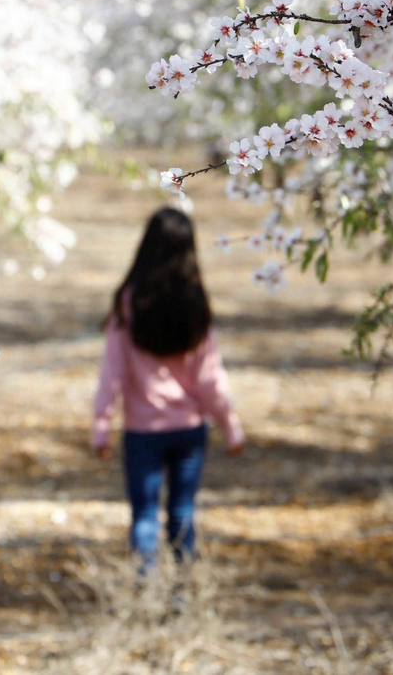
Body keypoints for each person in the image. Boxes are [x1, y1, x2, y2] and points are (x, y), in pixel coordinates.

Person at [91, 208, 244, 569]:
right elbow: (210, 375)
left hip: (142, 430)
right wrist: (230, 423)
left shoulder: (128, 303)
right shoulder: (195, 302)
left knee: (144, 512)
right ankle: (183, 587)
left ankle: (146, 586)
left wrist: (102, 425)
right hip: (189, 429)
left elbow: (111, 371)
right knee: (182, 511)